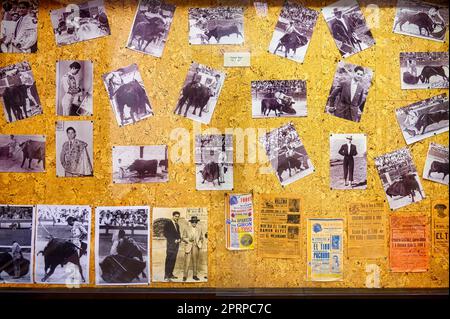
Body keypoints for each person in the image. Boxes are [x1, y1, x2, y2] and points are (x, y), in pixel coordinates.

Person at [182, 216, 204, 281]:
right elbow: (183, 238)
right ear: (191, 222)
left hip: (195, 246)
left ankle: (195, 275)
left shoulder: (199, 229)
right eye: (193, 222)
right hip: (188, 246)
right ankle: (185, 276)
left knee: (195, 261)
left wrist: (199, 244)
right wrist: (188, 239)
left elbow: (201, 238)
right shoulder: (186, 228)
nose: (194, 223)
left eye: (195, 222)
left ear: (197, 222)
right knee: (187, 262)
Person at [163, 211, 181, 281]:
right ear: (173, 216)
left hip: (176, 245)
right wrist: (173, 240)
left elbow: (178, 234)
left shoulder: (177, 225)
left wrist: (179, 239)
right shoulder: (168, 224)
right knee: (169, 260)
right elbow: (165, 234)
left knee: (173, 260)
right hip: (170, 245)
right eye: (176, 216)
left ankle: (170, 274)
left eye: (178, 217)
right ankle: (166, 276)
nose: (177, 218)